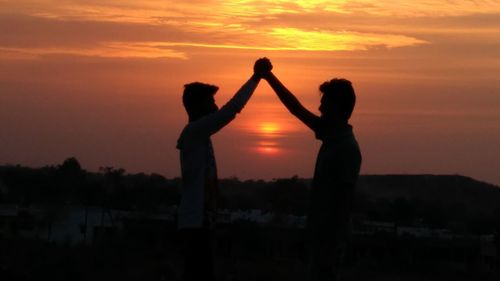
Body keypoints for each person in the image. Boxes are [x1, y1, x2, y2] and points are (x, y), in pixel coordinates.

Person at [259, 58, 362, 281]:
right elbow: (295, 108)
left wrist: (334, 243)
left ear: (337, 108)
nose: (320, 108)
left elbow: (344, 202)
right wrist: (268, 77)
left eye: (325, 103)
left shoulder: (346, 149)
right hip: (321, 238)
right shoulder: (332, 134)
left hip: (329, 241)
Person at [176, 59, 270, 281]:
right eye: (211, 102)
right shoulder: (194, 132)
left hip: (202, 223)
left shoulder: (200, 137)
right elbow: (232, 109)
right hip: (194, 225)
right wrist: (256, 78)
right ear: (198, 107)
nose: (215, 107)